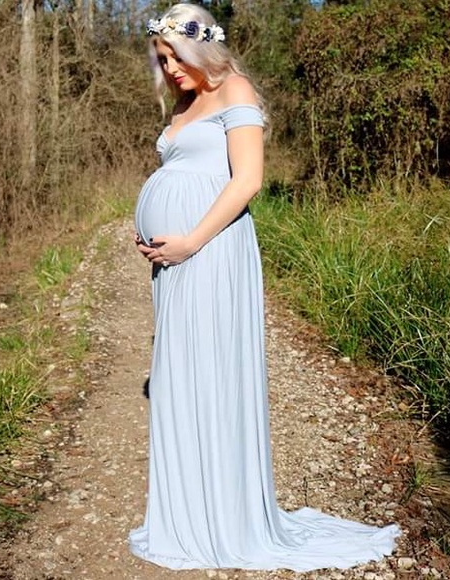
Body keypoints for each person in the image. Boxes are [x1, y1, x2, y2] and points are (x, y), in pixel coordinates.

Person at [131, 2, 400, 572]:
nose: (170, 69)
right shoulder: (183, 104)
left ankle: (224, 518)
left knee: (211, 372)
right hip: (173, 263)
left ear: (200, 46)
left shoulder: (236, 90)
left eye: (175, 56)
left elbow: (248, 180)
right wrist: (153, 232)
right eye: (162, 59)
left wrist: (189, 240)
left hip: (211, 251)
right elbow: (180, 173)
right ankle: (188, 510)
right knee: (179, 374)